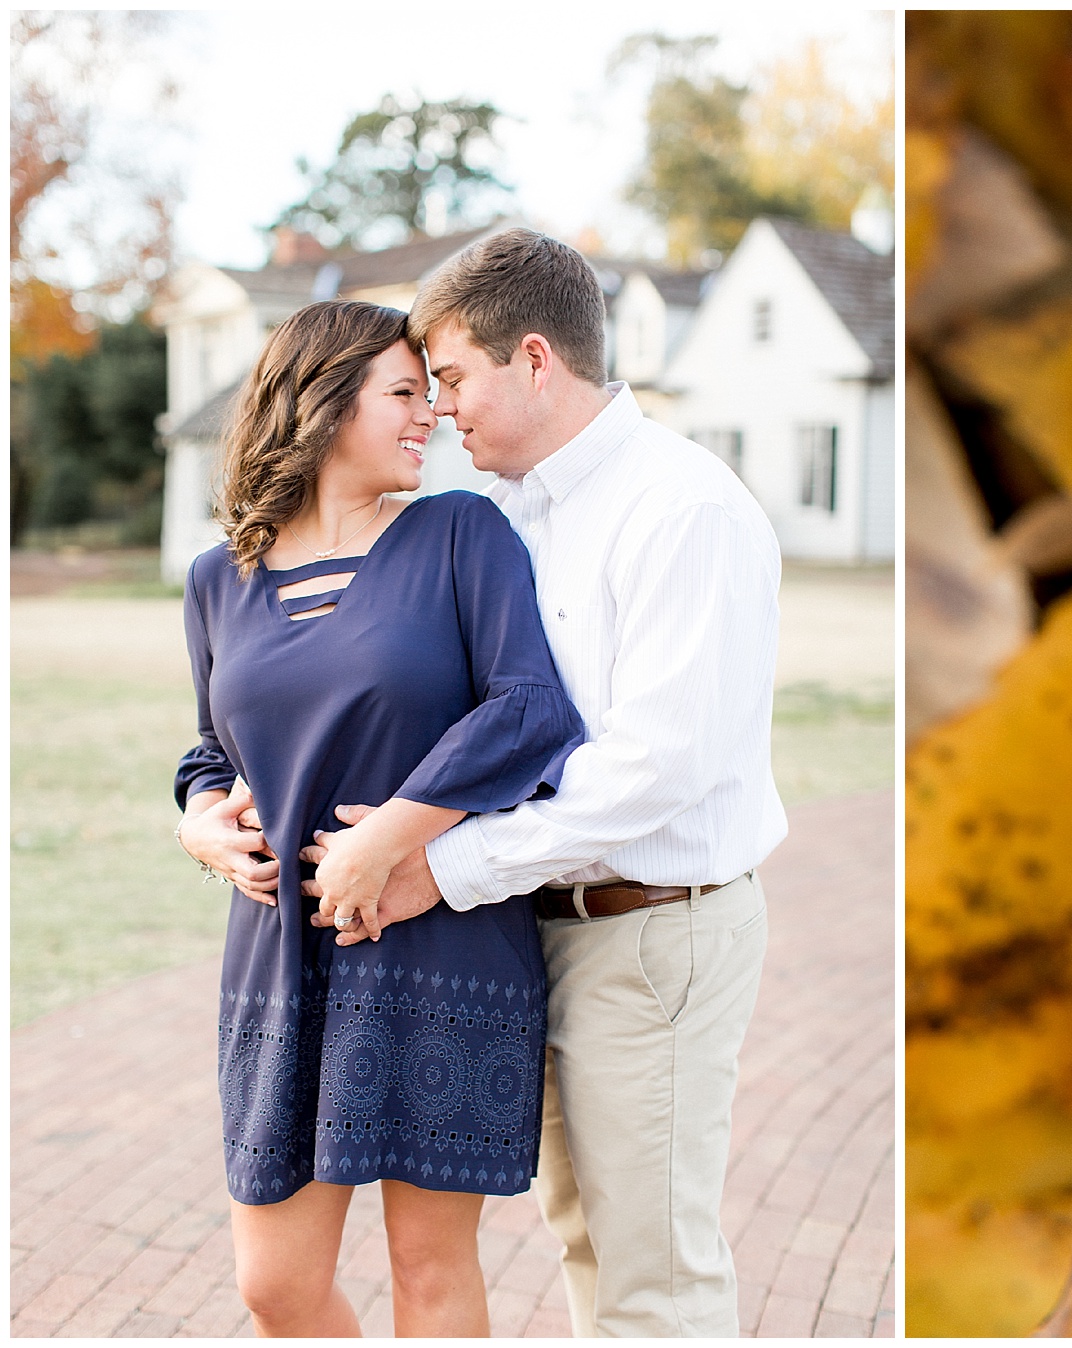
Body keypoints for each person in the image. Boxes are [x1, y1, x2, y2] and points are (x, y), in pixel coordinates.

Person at [301, 228, 789, 1336]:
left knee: (655, 1276)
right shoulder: (514, 512)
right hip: (545, 926)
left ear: (533, 358)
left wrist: (440, 865)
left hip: (652, 931)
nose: (439, 410)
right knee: (588, 1244)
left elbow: (654, 770)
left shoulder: (682, 508)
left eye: (452, 378)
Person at [174, 299, 586, 1337]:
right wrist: (199, 820)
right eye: (405, 392)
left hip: (438, 946)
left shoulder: (461, 535)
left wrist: (388, 836)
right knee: (274, 1283)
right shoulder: (219, 579)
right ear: (323, 402)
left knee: (428, 1268)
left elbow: (530, 709)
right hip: (279, 957)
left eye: (431, 392)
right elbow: (213, 748)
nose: (430, 414)